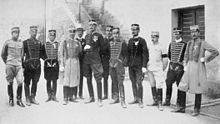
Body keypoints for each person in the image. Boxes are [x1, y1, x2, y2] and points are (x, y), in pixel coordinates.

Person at [173, 25, 219, 116]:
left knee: (198, 88)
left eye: (195, 32)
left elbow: (215, 52)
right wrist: (185, 64)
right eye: (192, 32)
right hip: (189, 66)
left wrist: (205, 59)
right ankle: (181, 107)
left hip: (198, 67)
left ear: (199, 33)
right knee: (182, 85)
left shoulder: (203, 43)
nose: (193, 34)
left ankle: (196, 108)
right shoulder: (189, 43)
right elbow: (186, 55)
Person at [1, 27, 25, 107]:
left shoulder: (21, 43)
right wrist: (7, 62)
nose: (16, 34)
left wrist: (21, 63)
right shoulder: (7, 42)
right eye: (14, 32)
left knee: (20, 82)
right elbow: (3, 54)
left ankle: (19, 99)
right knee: (10, 82)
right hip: (10, 65)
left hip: (18, 66)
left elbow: (22, 55)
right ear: (12, 33)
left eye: (17, 32)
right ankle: (11, 98)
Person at [163, 28, 187, 106]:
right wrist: (172, 64)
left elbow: (185, 56)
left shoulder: (184, 44)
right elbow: (169, 55)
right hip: (171, 66)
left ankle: (179, 103)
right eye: (175, 34)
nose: (176, 35)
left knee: (179, 85)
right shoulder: (171, 44)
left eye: (178, 34)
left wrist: (181, 64)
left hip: (180, 67)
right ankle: (167, 101)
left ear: (180, 35)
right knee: (168, 83)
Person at [83, 20, 104, 107]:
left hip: (95, 59)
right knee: (88, 78)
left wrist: (96, 53)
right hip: (87, 59)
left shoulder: (99, 36)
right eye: (90, 25)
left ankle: (99, 98)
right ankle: (91, 97)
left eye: (93, 25)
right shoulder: (87, 36)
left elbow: (102, 48)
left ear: (96, 26)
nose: (91, 27)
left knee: (98, 79)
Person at [127, 24, 149, 108]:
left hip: (139, 65)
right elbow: (128, 53)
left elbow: (145, 54)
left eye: (135, 29)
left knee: (139, 82)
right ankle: (135, 98)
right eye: (132, 29)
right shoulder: (130, 40)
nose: (133, 31)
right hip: (131, 65)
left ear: (138, 30)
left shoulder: (142, 41)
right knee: (133, 82)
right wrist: (127, 64)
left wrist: (144, 66)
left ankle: (140, 99)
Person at [59, 26, 82, 105]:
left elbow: (80, 52)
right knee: (66, 80)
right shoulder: (65, 42)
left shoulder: (77, 42)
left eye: (73, 32)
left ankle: (71, 96)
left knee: (73, 79)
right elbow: (61, 53)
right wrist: (62, 63)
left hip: (75, 62)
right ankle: (65, 97)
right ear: (68, 33)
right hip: (67, 61)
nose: (72, 33)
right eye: (70, 32)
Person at [23, 26, 44, 106]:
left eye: (35, 31)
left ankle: (33, 97)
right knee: (27, 82)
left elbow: (42, 54)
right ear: (29, 32)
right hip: (28, 66)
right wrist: (22, 65)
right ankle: (27, 98)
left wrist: (49, 59)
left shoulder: (39, 43)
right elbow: (22, 55)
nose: (34, 33)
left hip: (37, 66)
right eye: (32, 31)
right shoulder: (25, 42)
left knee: (35, 82)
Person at [146, 31, 168, 111]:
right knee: (152, 83)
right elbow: (146, 56)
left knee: (159, 85)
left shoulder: (161, 46)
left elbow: (165, 59)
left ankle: (160, 103)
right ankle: (154, 100)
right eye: (151, 37)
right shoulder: (149, 46)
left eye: (154, 37)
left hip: (158, 68)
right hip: (150, 67)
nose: (153, 38)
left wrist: (162, 68)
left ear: (158, 37)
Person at [109, 27, 128, 108]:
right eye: (114, 33)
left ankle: (123, 100)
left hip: (119, 65)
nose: (115, 35)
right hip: (111, 65)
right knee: (114, 81)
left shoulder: (123, 43)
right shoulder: (109, 42)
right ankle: (115, 98)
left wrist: (123, 63)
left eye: (117, 33)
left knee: (120, 82)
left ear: (119, 34)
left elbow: (126, 55)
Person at [43, 30, 59, 102]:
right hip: (47, 64)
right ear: (48, 36)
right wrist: (46, 60)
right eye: (50, 35)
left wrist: (57, 62)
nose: (52, 37)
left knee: (55, 80)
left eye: (53, 35)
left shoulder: (57, 44)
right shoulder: (46, 44)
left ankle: (54, 95)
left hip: (55, 63)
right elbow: (43, 54)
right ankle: (49, 95)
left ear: (55, 36)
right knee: (48, 80)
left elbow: (59, 53)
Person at [100, 25, 113, 100]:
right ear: (105, 32)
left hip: (112, 61)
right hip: (105, 61)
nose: (109, 32)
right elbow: (101, 51)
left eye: (110, 30)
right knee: (105, 78)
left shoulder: (114, 40)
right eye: (107, 30)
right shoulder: (103, 41)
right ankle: (105, 94)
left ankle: (114, 94)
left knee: (113, 78)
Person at [75, 26, 86, 99]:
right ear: (76, 33)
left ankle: (80, 93)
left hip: (82, 62)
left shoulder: (85, 41)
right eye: (78, 31)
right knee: (75, 77)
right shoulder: (74, 41)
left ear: (82, 33)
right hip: (76, 61)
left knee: (81, 77)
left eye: (81, 32)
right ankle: (74, 94)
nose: (80, 33)